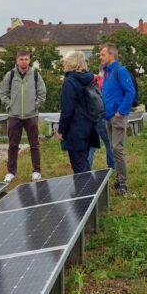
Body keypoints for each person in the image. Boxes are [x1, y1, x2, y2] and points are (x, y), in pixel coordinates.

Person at [0, 49, 46, 182]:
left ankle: (36, 171)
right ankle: (11, 172)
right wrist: (10, 105)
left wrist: (35, 105)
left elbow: (42, 93)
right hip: (14, 115)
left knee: (34, 145)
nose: (24, 62)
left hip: (31, 115)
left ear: (29, 60)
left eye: (26, 59)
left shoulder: (35, 75)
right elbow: (3, 93)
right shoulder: (10, 75)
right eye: (21, 59)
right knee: (13, 145)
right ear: (17, 60)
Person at [99, 43, 135, 194]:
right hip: (108, 116)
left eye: (103, 54)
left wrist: (121, 111)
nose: (100, 57)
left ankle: (122, 182)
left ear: (111, 55)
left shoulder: (120, 71)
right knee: (113, 148)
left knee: (117, 148)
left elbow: (130, 92)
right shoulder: (107, 72)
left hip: (117, 116)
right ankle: (119, 178)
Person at [56, 51, 100, 173]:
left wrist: (61, 130)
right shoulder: (89, 78)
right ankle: (89, 184)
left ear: (70, 63)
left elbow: (67, 110)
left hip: (75, 128)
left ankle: (88, 186)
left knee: (80, 167)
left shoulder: (70, 81)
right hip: (89, 125)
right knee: (84, 161)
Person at [86, 67, 113, 169]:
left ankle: (87, 167)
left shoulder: (91, 80)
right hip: (102, 115)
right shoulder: (105, 81)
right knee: (109, 142)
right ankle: (111, 166)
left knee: (91, 144)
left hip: (90, 115)